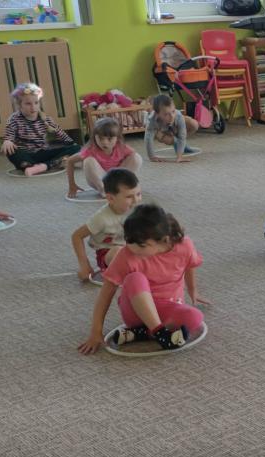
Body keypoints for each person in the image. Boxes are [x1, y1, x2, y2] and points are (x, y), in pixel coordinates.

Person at [78, 204, 208, 354]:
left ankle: (141, 333)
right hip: (135, 311)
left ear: (164, 240)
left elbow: (189, 264)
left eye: (141, 245)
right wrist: (96, 331)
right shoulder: (126, 254)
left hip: (169, 307)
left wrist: (193, 290)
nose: (132, 248)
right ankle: (160, 333)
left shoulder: (184, 245)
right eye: (128, 241)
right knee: (135, 278)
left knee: (195, 317)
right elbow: (106, 292)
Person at [69, 168, 142, 283]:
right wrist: (84, 265)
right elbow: (77, 236)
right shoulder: (101, 218)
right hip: (108, 253)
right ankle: (133, 270)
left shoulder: (137, 210)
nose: (136, 200)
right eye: (129, 197)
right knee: (118, 252)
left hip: (132, 249)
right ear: (110, 198)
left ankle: (138, 268)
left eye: (138, 194)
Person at [1, 82, 81, 175]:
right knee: (9, 148)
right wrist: (7, 141)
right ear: (19, 105)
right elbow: (9, 135)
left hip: (43, 153)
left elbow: (63, 136)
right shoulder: (14, 119)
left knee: (77, 148)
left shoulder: (45, 118)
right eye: (28, 104)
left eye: (36, 103)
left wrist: (72, 145)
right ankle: (30, 166)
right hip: (25, 155)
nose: (33, 107)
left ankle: (45, 166)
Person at [67, 117, 142, 198]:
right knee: (88, 161)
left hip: (116, 179)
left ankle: (121, 186)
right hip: (98, 180)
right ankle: (103, 190)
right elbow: (69, 161)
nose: (104, 142)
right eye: (100, 138)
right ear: (94, 137)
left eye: (109, 139)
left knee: (136, 158)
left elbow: (133, 161)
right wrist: (72, 185)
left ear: (117, 138)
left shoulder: (121, 147)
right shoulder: (90, 150)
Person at [144, 94, 199, 164]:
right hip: (161, 130)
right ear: (157, 114)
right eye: (166, 114)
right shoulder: (152, 120)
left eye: (173, 111)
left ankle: (180, 145)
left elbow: (182, 136)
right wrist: (151, 156)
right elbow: (148, 138)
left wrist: (179, 156)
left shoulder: (178, 115)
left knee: (194, 124)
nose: (171, 116)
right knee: (168, 139)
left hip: (175, 126)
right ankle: (175, 142)